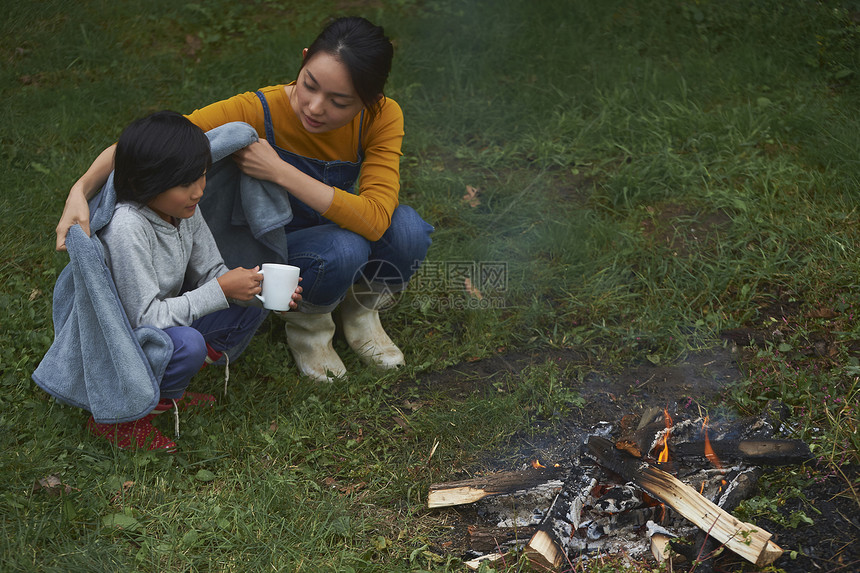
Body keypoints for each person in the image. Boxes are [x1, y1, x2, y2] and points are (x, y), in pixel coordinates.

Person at [55, 17, 433, 383]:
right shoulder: (258, 109)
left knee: (407, 232)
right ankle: (310, 329)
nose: (315, 107)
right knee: (344, 247)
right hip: (269, 242)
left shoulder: (381, 117)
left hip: (332, 223)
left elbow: (378, 219)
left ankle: (360, 313)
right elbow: (151, 146)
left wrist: (281, 171)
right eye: (310, 85)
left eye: (339, 101)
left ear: (370, 101)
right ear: (302, 60)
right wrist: (80, 189)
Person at [92, 111, 300, 450]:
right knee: (188, 343)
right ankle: (125, 418)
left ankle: (169, 389)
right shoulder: (128, 228)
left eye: (202, 176)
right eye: (186, 183)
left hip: (161, 323)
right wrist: (220, 290)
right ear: (147, 181)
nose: (199, 191)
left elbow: (212, 272)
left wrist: (260, 289)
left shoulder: (182, 211)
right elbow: (144, 319)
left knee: (249, 301)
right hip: (125, 344)